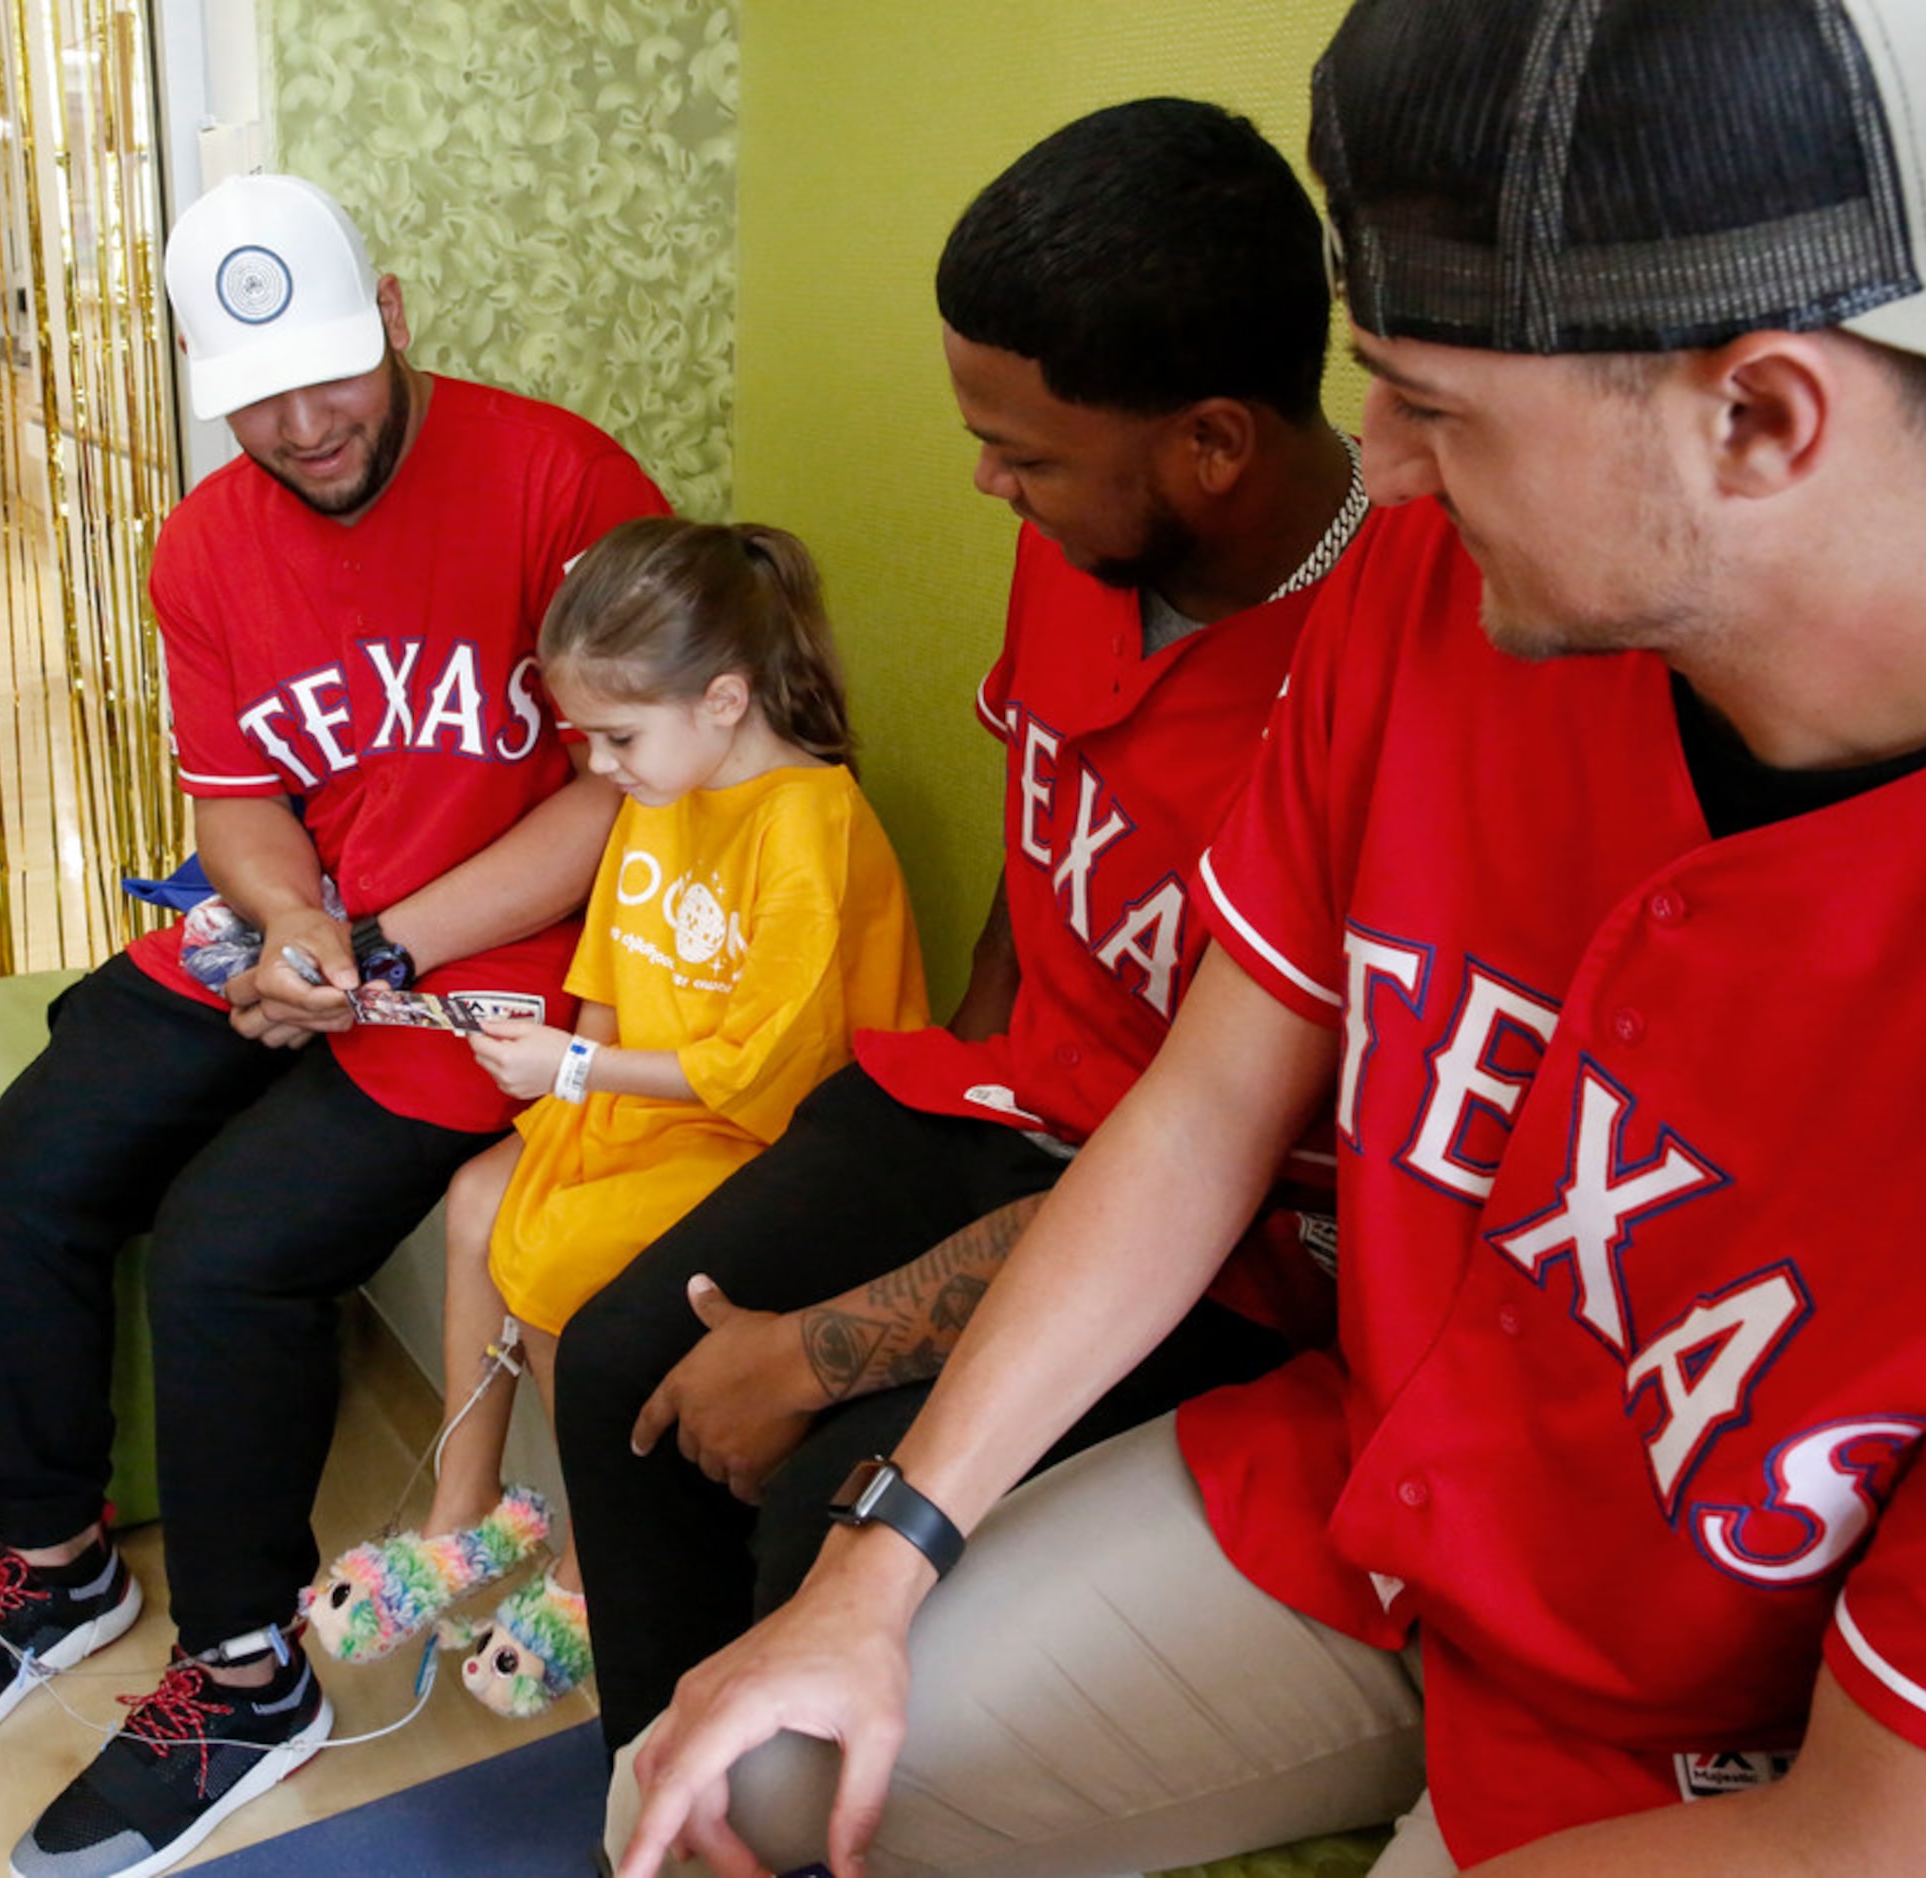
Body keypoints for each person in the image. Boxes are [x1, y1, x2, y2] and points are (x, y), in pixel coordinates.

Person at [612, 3, 1926, 1875]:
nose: (1371, 470)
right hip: (1365, 1502)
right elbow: (1205, 1104)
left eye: (1432, 407)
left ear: (1758, 414)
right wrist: (872, 1566)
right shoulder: (1434, 589)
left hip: (1726, 1759)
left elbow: (1893, 1841)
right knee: (717, 1781)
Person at [552, 94, 1366, 1755]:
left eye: (1027, 451)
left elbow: (1209, 1162)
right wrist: (978, 1065)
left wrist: (812, 1348)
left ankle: (758, 1800)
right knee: (621, 1362)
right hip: (1008, 1101)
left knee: (818, 1515)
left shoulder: (1382, 670)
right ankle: (656, 1807)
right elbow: (1046, 829)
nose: (984, 480)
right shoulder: (1070, 542)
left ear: (1208, 445)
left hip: (1225, 1242)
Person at [0, 172, 669, 1878]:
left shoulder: (562, 480)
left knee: (231, 1244)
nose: (307, 425)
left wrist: (376, 941)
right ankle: (55, 1549)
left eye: (333, 372)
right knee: (22, 1168)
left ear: (390, 314)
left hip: (490, 970)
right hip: (297, 930)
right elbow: (237, 797)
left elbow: (619, 788)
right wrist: (300, 923)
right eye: (261, 395)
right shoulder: (205, 543)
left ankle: (244, 1680)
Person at [302, 517, 928, 1721]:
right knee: (485, 1197)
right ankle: (467, 1517)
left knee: (559, 1254)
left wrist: (576, 1074)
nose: (598, 766)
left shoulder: (810, 826)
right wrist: (557, 1084)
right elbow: (605, 975)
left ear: (725, 699)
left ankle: (596, 1570)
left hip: (773, 1141)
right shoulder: (664, 787)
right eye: (585, 735)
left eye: (615, 736)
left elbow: (765, 1070)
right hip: (648, 1104)